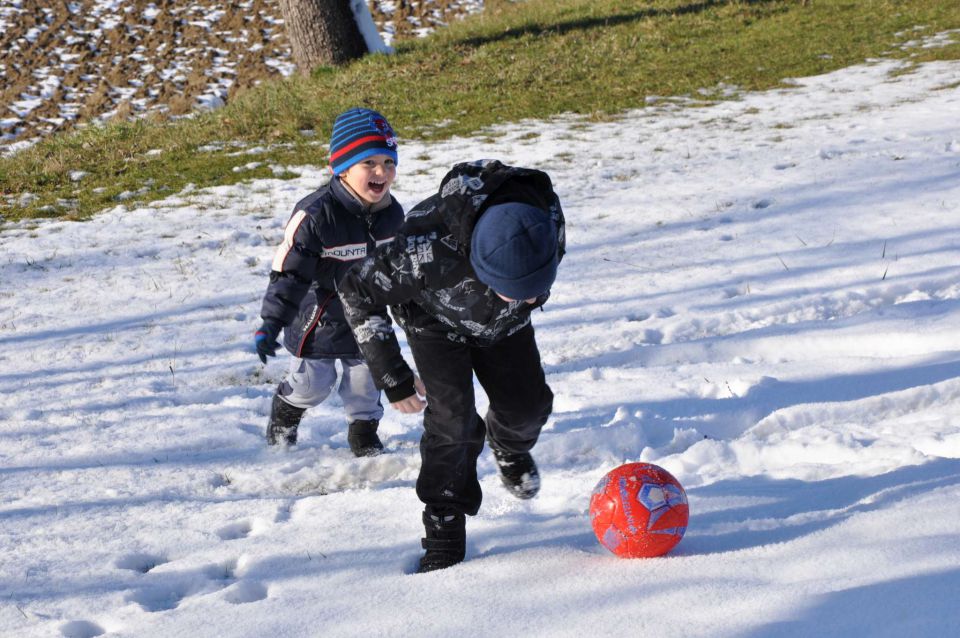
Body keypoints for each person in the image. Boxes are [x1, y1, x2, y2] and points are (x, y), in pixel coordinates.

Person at [338, 159, 565, 572]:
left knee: (528, 407)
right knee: (453, 421)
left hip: (504, 328)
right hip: (434, 321)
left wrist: (529, 295)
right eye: (512, 291)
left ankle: (509, 447)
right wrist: (392, 374)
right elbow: (355, 292)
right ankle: (444, 523)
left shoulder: (544, 216)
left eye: (532, 293)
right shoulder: (421, 250)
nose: (526, 299)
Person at [254, 108, 404, 456]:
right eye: (369, 163)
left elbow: (403, 272)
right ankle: (284, 415)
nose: (382, 172)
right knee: (312, 386)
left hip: (368, 318)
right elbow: (288, 273)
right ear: (342, 168)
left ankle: (363, 434)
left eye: (389, 161)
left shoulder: (393, 216)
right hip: (317, 320)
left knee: (366, 384)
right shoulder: (315, 216)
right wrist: (271, 322)